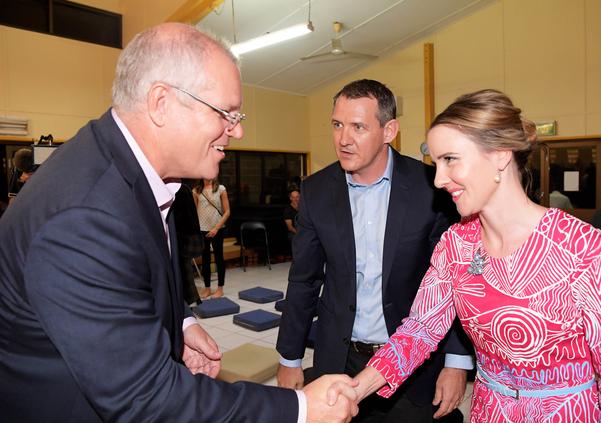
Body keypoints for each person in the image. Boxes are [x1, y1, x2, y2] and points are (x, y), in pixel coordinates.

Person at [0, 23, 359, 422]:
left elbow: (139, 277)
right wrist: (300, 410)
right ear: (161, 103)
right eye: (226, 113)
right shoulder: (85, 217)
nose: (237, 130)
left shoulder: (146, 174)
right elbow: (147, 400)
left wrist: (182, 322)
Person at [330, 89, 601, 421]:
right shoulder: (456, 245)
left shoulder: (585, 248)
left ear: (499, 155)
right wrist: (356, 389)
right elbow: (420, 330)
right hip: (489, 410)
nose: (438, 179)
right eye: (435, 163)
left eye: (450, 159)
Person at [276, 79, 472, 423]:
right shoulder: (316, 191)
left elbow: (456, 282)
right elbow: (304, 280)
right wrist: (290, 358)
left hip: (414, 365)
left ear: (388, 130)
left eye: (358, 127)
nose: (343, 138)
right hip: (339, 358)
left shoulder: (432, 188)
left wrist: (456, 361)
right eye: (337, 125)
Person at [194, 177, 229, 299]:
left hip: (217, 229)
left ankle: (220, 288)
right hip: (202, 229)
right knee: (205, 259)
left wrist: (216, 228)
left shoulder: (220, 189)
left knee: (219, 258)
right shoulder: (196, 191)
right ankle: (207, 288)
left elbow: (227, 211)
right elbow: (195, 211)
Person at [172, 179, 204, 305]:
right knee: (185, 270)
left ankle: (191, 301)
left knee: (184, 270)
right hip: (184, 235)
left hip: (182, 236)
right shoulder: (184, 189)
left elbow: (187, 216)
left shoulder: (180, 190)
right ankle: (192, 300)